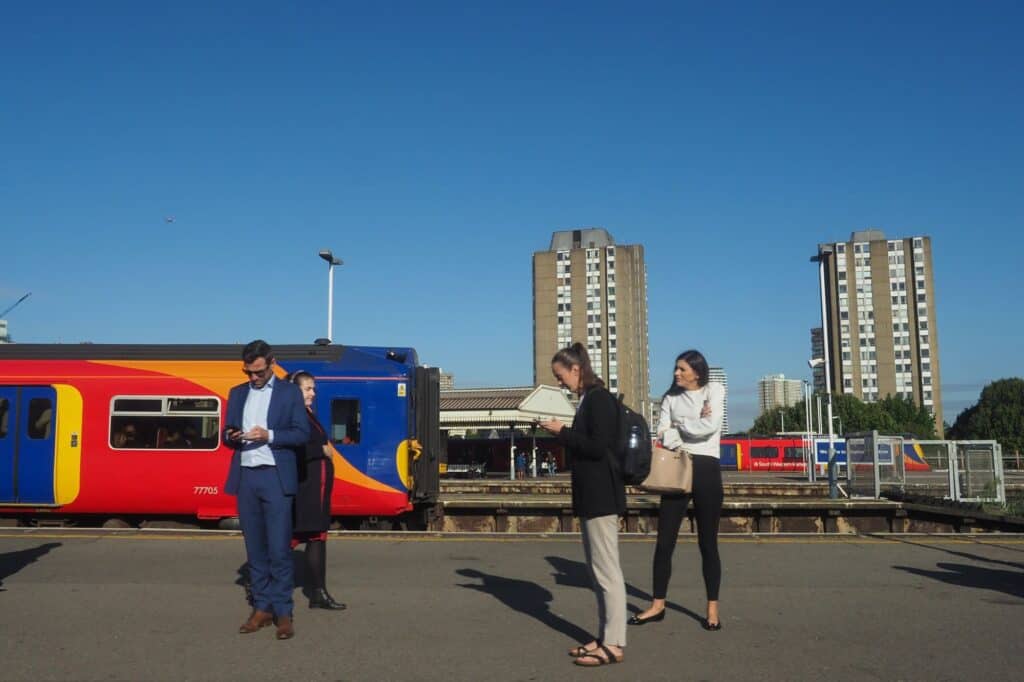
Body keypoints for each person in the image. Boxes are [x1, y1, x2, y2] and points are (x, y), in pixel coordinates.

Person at [539, 342, 626, 667]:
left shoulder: (599, 399)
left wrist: (563, 432)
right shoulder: (590, 399)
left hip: (602, 497)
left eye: (561, 376)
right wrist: (566, 433)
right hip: (594, 497)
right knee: (598, 572)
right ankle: (605, 636)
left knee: (607, 572)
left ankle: (614, 644)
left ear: (577, 370)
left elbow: (597, 446)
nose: (560, 383)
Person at [629, 349, 725, 631]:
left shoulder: (714, 389)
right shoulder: (670, 398)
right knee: (664, 542)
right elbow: (662, 435)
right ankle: (657, 605)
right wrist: (688, 425)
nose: (676, 373)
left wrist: (679, 427)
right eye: (676, 368)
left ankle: (712, 609)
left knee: (708, 543)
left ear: (697, 371)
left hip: (707, 469)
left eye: (682, 369)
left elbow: (712, 426)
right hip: (676, 467)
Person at [224, 340, 309, 641]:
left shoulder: (289, 393)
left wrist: (269, 434)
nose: (253, 378)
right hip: (246, 476)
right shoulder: (237, 393)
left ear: (272, 362)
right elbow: (226, 434)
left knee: (278, 548)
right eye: (248, 372)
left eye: (258, 372)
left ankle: (283, 612)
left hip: (276, 476)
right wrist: (231, 435)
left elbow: (302, 433)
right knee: (255, 549)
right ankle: (262, 608)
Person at [287, 371, 346, 611]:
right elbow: (293, 446)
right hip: (307, 488)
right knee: (301, 537)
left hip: (315, 487)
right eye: (308, 389)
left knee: (316, 538)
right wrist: (321, 451)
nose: (313, 393)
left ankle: (318, 592)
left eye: (313, 388)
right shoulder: (294, 415)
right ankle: (267, 589)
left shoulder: (306, 414)